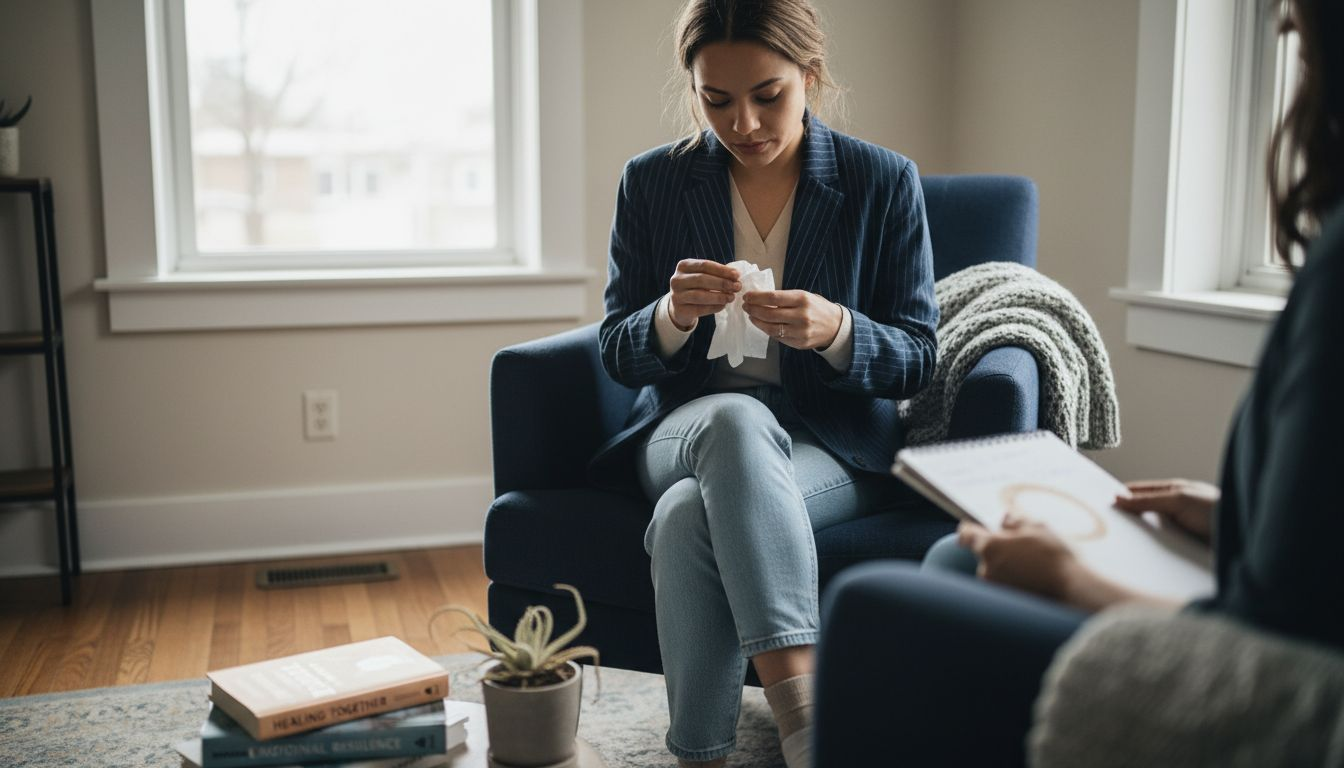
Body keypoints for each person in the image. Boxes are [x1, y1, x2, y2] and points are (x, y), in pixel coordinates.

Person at [815, 0, 1344, 764]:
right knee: (956, 557)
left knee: (875, 605)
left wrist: (1071, 579)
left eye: (1298, 30)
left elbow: (1276, 642)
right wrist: (1234, 517)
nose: (1287, 35)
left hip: (1275, 673)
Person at [590, 1, 938, 765]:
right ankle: (807, 722)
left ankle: (698, 751)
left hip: (830, 447)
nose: (742, 123)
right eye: (716, 100)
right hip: (687, 433)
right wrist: (670, 316)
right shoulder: (652, 183)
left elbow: (919, 354)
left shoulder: (882, 182)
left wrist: (837, 329)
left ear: (810, 77)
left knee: (688, 518)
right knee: (734, 426)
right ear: (694, 92)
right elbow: (618, 349)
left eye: (768, 95)